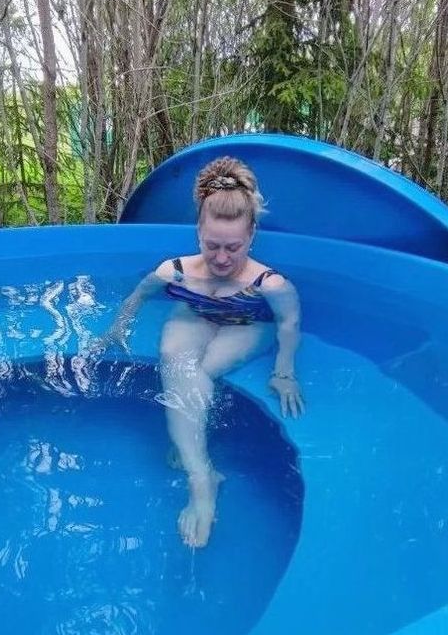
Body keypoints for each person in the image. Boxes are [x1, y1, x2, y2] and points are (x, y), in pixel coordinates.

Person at [97, 156, 304, 548]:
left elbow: (289, 324)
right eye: (212, 246)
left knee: (203, 369)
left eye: (233, 247)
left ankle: (198, 475)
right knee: (174, 360)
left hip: (247, 323)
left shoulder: (270, 284)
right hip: (194, 314)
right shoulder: (174, 271)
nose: (222, 258)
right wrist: (116, 329)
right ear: (198, 232)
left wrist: (284, 372)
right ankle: (202, 474)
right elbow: (137, 297)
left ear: (252, 234)